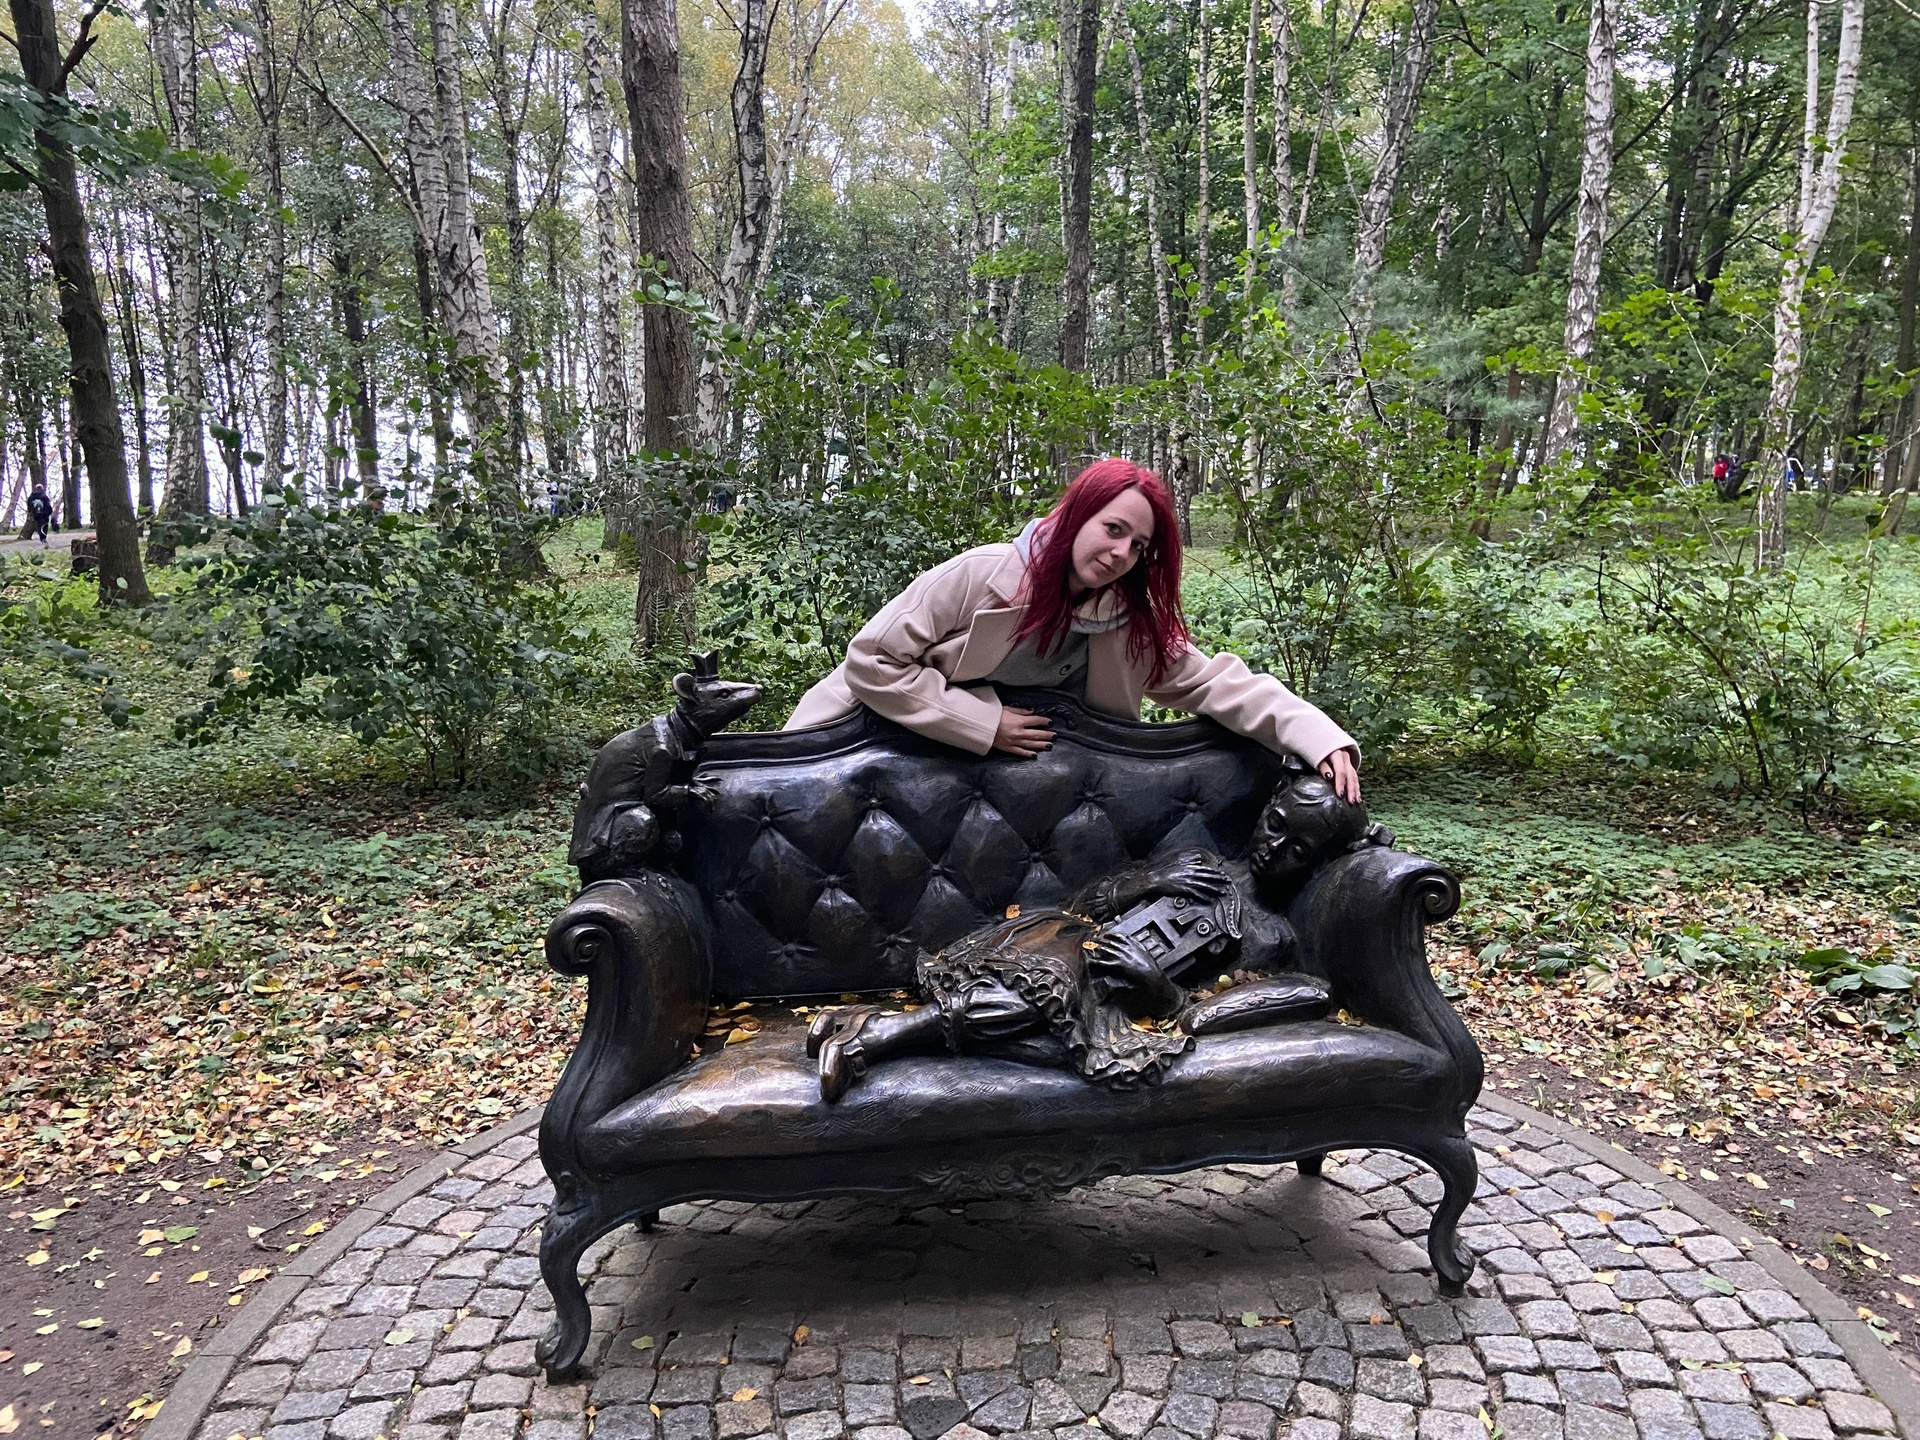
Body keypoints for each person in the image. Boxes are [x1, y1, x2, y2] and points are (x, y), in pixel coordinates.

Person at [784, 458, 1362, 802]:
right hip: (851, 743)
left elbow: (1214, 683)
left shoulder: (1126, 622)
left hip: (1000, 793)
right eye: (1113, 529)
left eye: (1139, 546)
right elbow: (871, 661)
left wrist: (1320, 738)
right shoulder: (980, 575)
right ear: (1076, 516)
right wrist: (985, 724)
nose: (1121, 553)